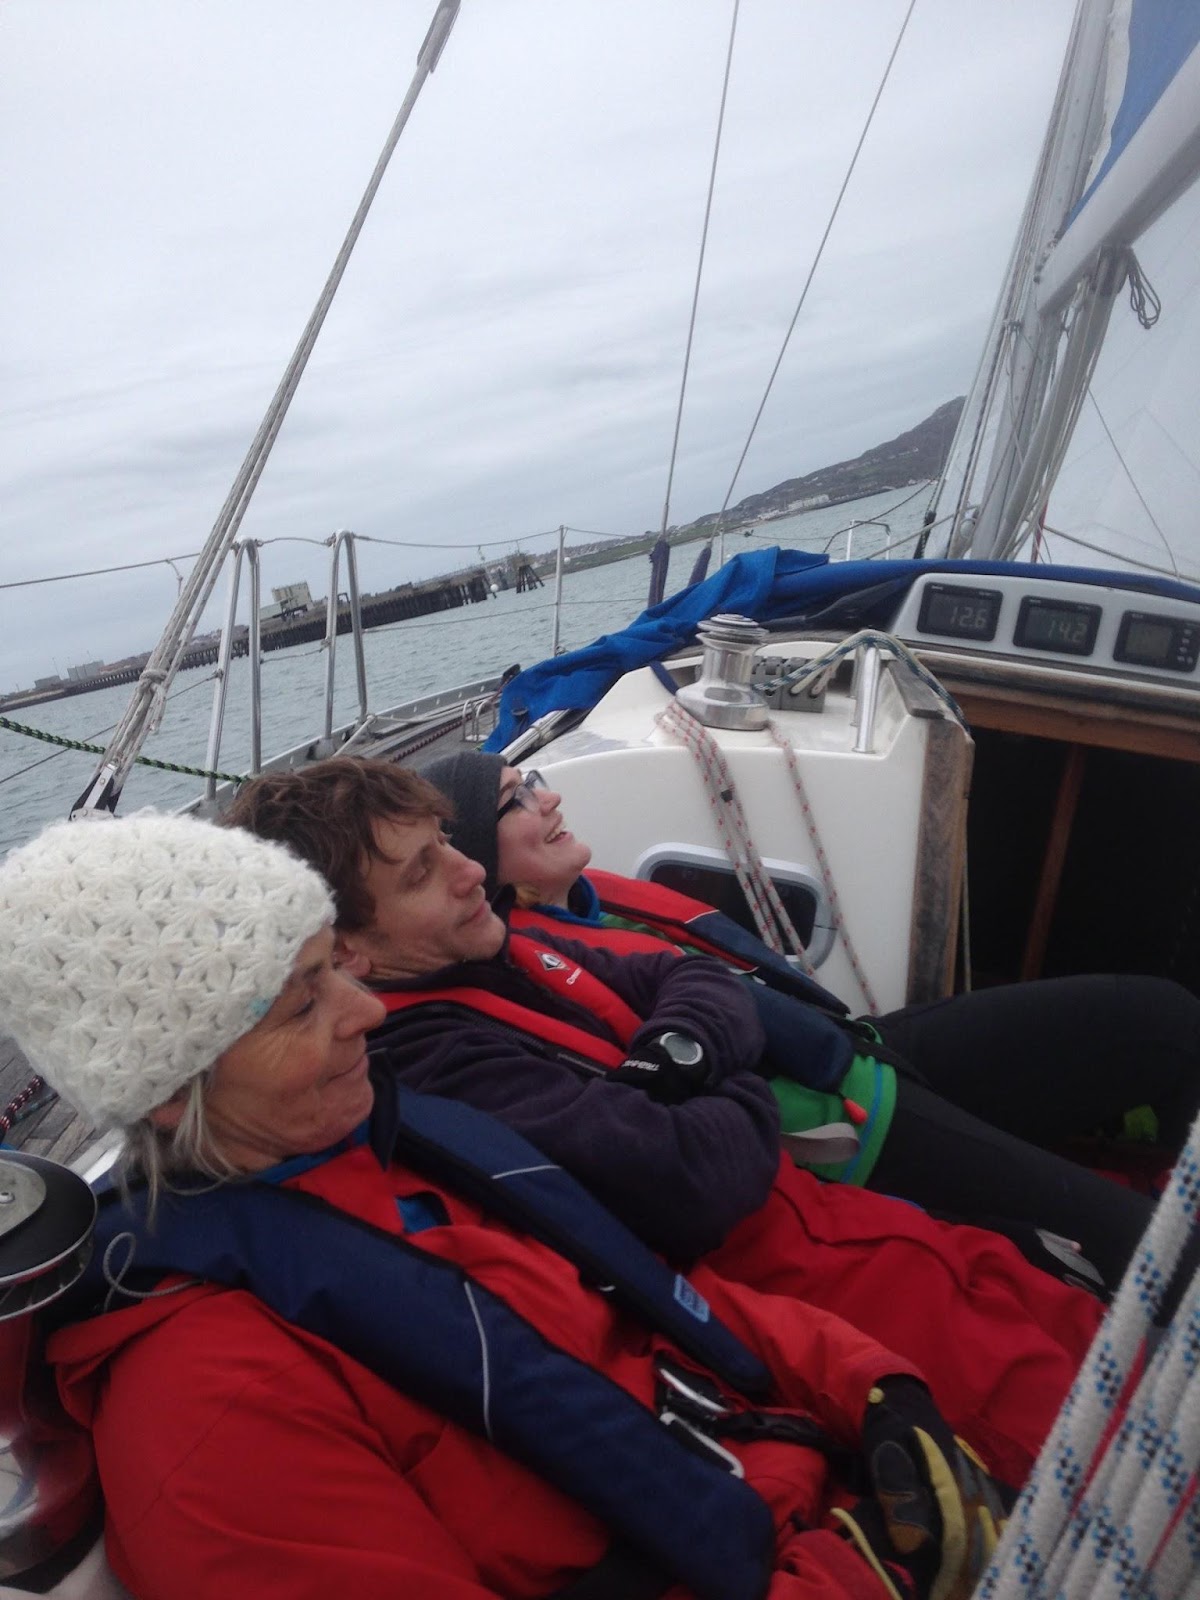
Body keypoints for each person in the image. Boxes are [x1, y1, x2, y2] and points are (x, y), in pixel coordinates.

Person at [0, 813, 1009, 1600]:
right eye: (304, 1002)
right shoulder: (212, 1419)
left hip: (822, 1485)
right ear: (172, 1088)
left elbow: (652, 1301)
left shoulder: (392, 1153)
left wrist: (872, 1387)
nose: (370, 1011)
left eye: (336, 967)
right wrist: (856, 1576)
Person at [225, 757, 1108, 1486]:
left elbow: (699, 981)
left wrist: (680, 1059)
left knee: (1100, 1329)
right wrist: (740, 1080)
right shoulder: (437, 1060)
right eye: (421, 873)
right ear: (347, 948)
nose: (470, 871)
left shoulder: (502, 948)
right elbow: (693, 1182)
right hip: (849, 1323)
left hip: (884, 1242)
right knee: (1114, 1443)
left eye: (449, 844)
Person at [421, 748, 1200, 1288]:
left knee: (1162, 1018)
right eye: (516, 800)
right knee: (1150, 1246)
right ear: (475, 861)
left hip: (862, 1052)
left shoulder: (596, 906)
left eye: (535, 780)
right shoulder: (536, 974)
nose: (548, 798)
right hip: (851, 1132)